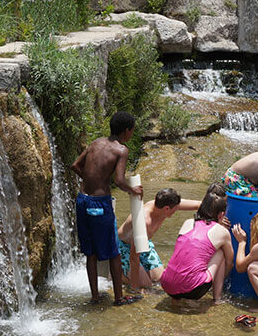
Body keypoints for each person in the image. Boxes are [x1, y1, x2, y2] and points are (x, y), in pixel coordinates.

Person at [71, 111, 145, 305]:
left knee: (91, 253)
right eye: (132, 131)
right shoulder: (121, 150)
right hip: (100, 204)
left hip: (82, 200)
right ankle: (119, 298)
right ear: (126, 131)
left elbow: (75, 165)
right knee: (113, 251)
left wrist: (90, 181)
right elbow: (119, 180)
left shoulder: (96, 143)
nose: (132, 134)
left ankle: (95, 296)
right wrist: (133, 190)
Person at [116, 188, 202, 290]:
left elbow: (199, 204)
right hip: (125, 248)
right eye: (175, 210)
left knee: (161, 280)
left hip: (144, 244)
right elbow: (134, 258)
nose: (176, 210)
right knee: (145, 285)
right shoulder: (144, 221)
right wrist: (135, 289)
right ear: (166, 209)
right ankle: (119, 275)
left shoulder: (164, 205)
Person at [160, 187, 234, 305]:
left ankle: (175, 300)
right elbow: (229, 262)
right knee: (220, 252)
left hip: (166, 285)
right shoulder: (222, 231)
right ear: (222, 215)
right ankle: (217, 299)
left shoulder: (188, 222)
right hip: (193, 290)